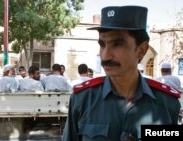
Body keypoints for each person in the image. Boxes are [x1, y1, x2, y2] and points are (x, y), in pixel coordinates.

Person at [63, 6, 181, 141]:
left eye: (117, 44)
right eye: (102, 44)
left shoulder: (167, 103)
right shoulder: (82, 100)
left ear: (141, 50)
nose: (105, 55)